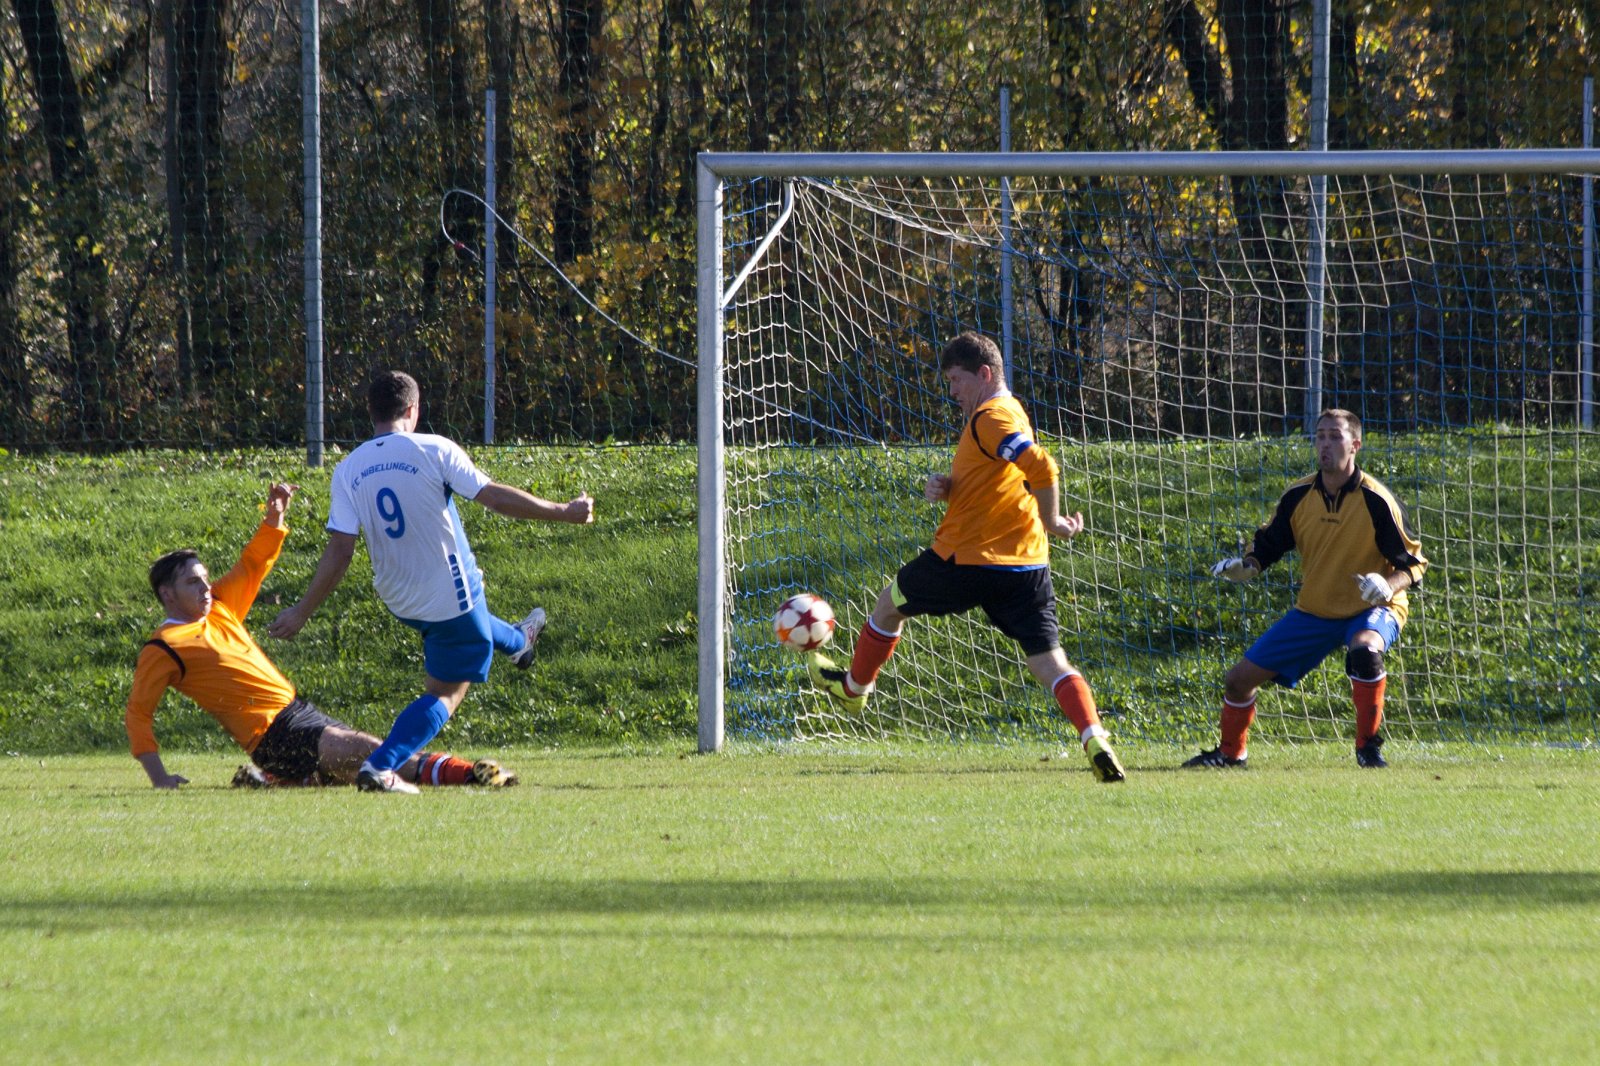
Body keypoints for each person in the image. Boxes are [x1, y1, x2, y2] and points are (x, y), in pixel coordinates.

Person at [806, 331, 1127, 782]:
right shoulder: (1010, 411)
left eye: (956, 379)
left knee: (888, 604)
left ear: (984, 374)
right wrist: (951, 487)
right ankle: (1094, 737)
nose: (952, 390)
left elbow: (1041, 466)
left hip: (966, 559)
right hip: (1026, 566)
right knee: (1050, 662)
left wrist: (1053, 520)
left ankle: (854, 690)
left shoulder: (990, 416)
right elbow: (1001, 479)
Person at [268, 370, 595, 794]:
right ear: (413, 409)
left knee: (468, 625)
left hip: (398, 597)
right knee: (445, 692)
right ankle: (380, 766)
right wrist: (563, 512)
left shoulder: (348, 469)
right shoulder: (434, 449)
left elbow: (341, 551)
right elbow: (493, 496)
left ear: (371, 412)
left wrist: (301, 611)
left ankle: (519, 643)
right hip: (448, 593)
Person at [127, 483, 517, 790]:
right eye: (193, 582)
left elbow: (253, 564)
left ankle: (278, 778)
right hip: (271, 735)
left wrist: (274, 518)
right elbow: (138, 714)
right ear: (167, 594)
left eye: (205, 578)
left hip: (297, 712)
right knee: (372, 754)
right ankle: (470, 774)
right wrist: (159, 777)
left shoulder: (220, 606)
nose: (205, 587)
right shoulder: (164, 647)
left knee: (358, 761)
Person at [1187, 408, 1428, 769]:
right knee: (1237, 681)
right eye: (1320, 436)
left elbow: (1415, 565)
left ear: (1355, 445)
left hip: (1372, 608)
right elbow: (1268, 546)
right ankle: (1231, 754)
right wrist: (1246, 567)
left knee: (1365, 649)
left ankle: (1368, 748)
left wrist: (1386, 585)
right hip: (1316, 610)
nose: (1325, 444)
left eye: (1335, 436)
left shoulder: (1377, 499)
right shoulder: (1298, 496)